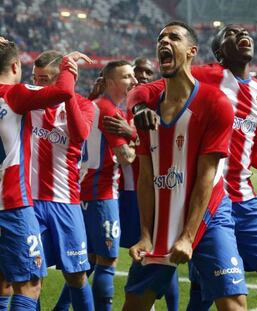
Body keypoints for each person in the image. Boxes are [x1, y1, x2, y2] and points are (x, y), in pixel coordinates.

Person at [129, 24, 257, 311]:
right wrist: (139, 108)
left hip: (245, 198)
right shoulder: (205, 77)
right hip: (203, 200)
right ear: (218, 52)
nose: (242, 36)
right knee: (204, 293)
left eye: (244, 33)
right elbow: (146, 91)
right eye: (231, 34)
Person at [123, 21, 248, 311]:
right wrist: (144, 233)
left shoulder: (215, 103)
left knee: (233, 305)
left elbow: (206, 175)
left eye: (174, 38)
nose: (164, 42)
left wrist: (188, 236)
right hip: (162, 218)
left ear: (191, 51)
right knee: (135, 304)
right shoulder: (147, 111)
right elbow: (146, 176)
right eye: (161, 38)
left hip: (207, 215)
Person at [0, 38, 90, 311]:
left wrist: (68, 89)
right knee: (20, 277)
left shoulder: (82, 104)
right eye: (35, 78)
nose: (39, 85)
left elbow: (81, 134)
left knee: (75, 274)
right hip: (27, 200)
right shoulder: (26, 103)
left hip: (65, 200)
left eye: (46, 79)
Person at [103, 57, 179, 311]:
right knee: (108, 255)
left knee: (157, 255)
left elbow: (164, 142)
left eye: (148, 71)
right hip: (126, 192)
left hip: (156, 191)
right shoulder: (122, 109)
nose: (144, 76)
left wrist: (131, 133)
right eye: (139, 72)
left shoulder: (162, 106)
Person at [80, 60, 137, 310]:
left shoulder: (93, 104)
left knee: (89, 262)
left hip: (85, 189)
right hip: (102, 192)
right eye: (127, 77)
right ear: (111, 82)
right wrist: (138, 140)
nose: (133, 82)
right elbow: (126, 156)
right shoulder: (109, 109)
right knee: (108, 260)